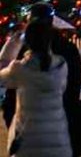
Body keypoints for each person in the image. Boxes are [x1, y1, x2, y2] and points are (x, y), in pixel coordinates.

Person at [2, 2, 81, 131]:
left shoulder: (20, 66)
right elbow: (74, 84)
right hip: (59, 129)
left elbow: (3, 76)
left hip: (26, 132)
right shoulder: (63, 60)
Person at [0, 19, 72, 157]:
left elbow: (2, 76)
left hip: (28, 142)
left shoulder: (20, 69)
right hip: (58, 141)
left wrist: (12, 45)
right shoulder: (61, 66)